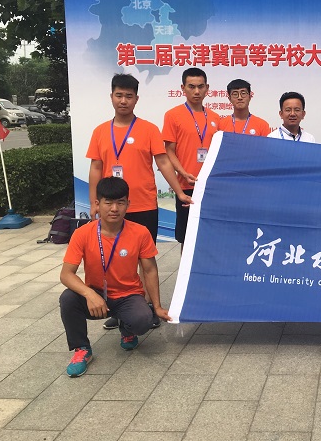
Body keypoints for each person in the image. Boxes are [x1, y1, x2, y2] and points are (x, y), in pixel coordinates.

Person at [87, 73, 192, 329]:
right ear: (111, 97)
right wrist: (94, 203)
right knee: (115, 259)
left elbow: (163, 162)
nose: (123, 100)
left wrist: (179, 192)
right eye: (119, 95)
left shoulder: (149, 129)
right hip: (112, 208)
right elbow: (96, 168)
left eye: (128, 96)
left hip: (143, 204)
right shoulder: (100, 131)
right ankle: (119, 307)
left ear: (136, 99)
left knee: (145, 260)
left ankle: (148, 306)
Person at [59, 177, 172, 377]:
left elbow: (150, 270)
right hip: (96, 295)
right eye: (108, 202)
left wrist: (157, 306)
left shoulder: (140, 232)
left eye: (120, 202)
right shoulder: (82, 234)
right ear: (97, 204)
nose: (114, 208)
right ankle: (82, 349)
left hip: (128, 295)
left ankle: (127, 329)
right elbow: (66, 274)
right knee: (68, 298)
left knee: (143, 320)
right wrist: (89, 294)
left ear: (128, 204)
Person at [162, 68, 222, 247]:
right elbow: (169, 151)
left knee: (210, 237)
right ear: (183, 88)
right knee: (187, 240)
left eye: (200, 86)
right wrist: (183, 172)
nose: (196, 91)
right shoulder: (173, 115)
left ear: (207, 88)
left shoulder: (215, 117)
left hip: (211, 187)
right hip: (186, 186)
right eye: (191, 86)